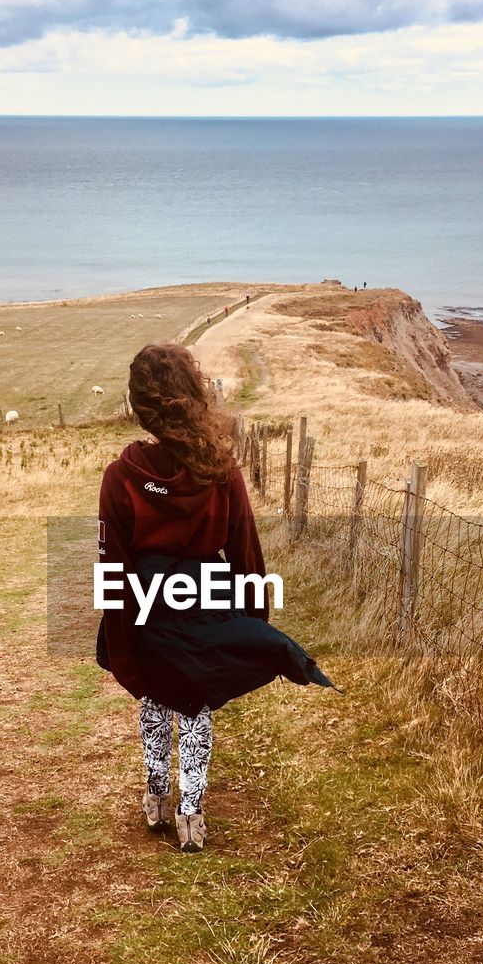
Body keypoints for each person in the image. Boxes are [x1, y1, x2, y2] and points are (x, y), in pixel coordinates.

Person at [96, 344, 334, 853]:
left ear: (140, 407)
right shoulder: (219, 470)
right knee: (196, 705)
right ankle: (191, 815)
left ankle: (157, 798)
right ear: (195, 398)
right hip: (206, 607)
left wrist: (122, 649)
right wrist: (250, 627)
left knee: (156, 698)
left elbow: (112, 570)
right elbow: (246, 550)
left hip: (146, 611)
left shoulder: (120, 478)